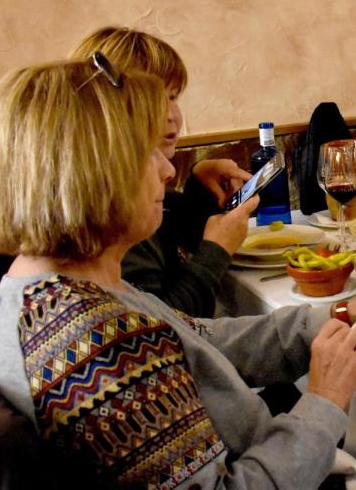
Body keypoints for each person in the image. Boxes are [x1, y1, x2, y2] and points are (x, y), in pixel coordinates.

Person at [0, 57, 356, 488]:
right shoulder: (92, 346)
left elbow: (205, 341)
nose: (166, 170)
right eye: (147, 153)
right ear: (90, 175)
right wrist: (324, 401)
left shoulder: (65, 283)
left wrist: (345, 312)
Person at [71, 26, 253, 318]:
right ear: (107, 107)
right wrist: (216, 252)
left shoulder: (139, 183)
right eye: (154, 100)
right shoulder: (110, 209)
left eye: (173, 97)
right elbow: (162, 325)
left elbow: (188, 236)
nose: (171, 115)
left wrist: (199, 183)